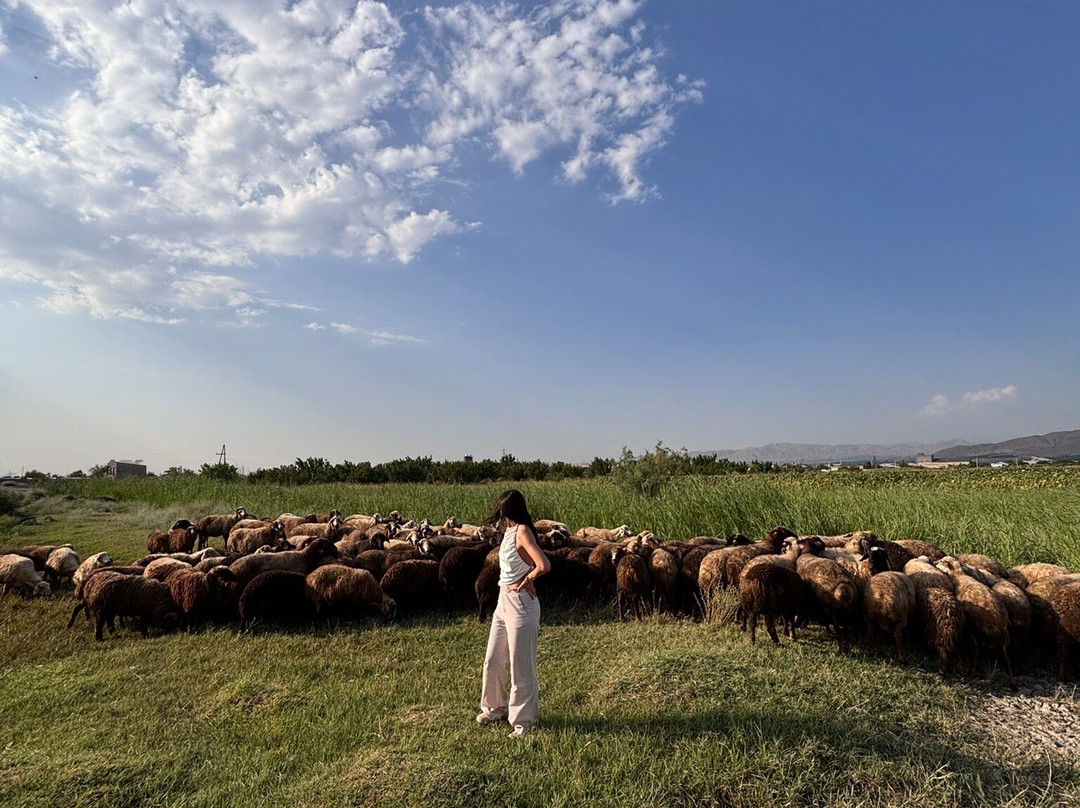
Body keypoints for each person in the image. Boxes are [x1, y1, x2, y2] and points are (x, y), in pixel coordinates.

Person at [476, 489, 550, 738]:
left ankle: (524, 722)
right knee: (494, 659)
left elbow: (544, 564)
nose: (500, 515)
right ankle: (494, 708)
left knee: (521, 666)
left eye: (503, 511)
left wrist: (527, 579)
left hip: (521, 603)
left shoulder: (522, 531)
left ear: (510, 511)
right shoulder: (509, 531)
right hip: (502, 600)